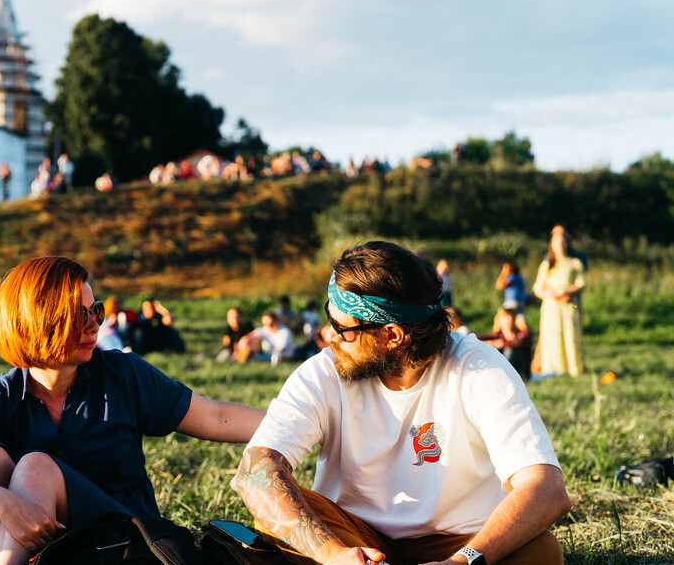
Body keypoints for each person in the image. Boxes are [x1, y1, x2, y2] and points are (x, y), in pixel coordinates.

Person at [233, 241, 569, 565]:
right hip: (354, 535)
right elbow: (255, 471)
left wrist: (462, 561)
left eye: (342, 327)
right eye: (328, 316)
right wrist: (333, 555)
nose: (329, 335)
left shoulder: (478, 367)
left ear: (393, 335)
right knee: (279, 511)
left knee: (541, 552)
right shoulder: (324, 371)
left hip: (461, 540)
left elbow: (546, 488)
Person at [0, 256, 265, 565]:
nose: (95, 324)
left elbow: (215, 416)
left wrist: (300, 422)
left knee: (35, 467)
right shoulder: (1, 394)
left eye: (95, 310)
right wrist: (2, 502)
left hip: (125, 545)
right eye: (78, 315)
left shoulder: (123, 374)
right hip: (44, 546)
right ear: (36, 321)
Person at [532, 226, 585, 377]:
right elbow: (537, 287)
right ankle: (553, 370)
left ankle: (573, 369)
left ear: (567, 243)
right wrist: (551, 294)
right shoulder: (547, 264)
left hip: (569, 306)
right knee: (552, 337)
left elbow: (581, 283)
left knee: (570, 336)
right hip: (551, 307)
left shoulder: (575, 263)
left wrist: (566, 291)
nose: (560, 245)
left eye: (562, 241)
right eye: (557, 242)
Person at [481, 307, 533, 382]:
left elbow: (515, 343)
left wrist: (502, 343)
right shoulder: (498, 336)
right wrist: (492, 343)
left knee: (510, 350)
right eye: (506, 317)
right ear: (500, 319)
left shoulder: (521, 334)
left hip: (521, 372)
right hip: (503, 370)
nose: (510, 320)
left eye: (512, 316)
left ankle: (505, 377)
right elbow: (478, 340)